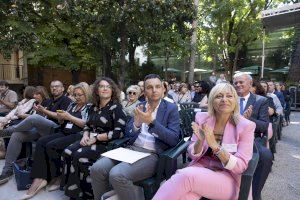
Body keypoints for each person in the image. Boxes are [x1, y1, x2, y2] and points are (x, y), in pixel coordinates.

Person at [153, 83, 255, 200]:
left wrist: (216, 147)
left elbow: (240, 166)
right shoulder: (202, 118)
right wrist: (200, 142)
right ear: (211, 101)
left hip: (229, 178)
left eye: (229, 96)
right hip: (201, 169)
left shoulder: (245, 126)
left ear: (235, 101)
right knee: (186, 197)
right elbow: (192, 153)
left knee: (185, 176)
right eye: (219, 96)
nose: (224, 100)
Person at [90, 74, 181, 200]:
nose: (154, 90)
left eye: (157, 86)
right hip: (131, 149)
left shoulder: (171, 108)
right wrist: (137, 125)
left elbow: (174, 139)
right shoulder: (140, 106)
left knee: (117, 174)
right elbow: (128, 133)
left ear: (163, 89)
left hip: (152, 154)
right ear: (144, 92)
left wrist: (151, 122)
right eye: (149, 87)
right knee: (97, 168)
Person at [20, 82, 92, 200]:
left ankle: (57, 176)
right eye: (75, 95)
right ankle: (40, 177)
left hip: (79, 134)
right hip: (65, 130)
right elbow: (62, 122)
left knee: (52, 145)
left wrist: (69, 117)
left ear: (87, 94)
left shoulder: (90, 107)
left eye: (81, 95)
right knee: (41, 142)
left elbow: (87, 124)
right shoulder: (72, 105)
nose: (77, 97)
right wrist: (61, 119)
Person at [61, 77, 126, 199]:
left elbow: (120, 132)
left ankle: (87, 193)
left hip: (107, 144)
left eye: (108, 86)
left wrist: (96, 137)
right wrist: (85, 136)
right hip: (90, 139)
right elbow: (87, 125)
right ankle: (74, 190)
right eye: (101, 86)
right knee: (67, 152)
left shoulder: (116, 108)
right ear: (96, 90)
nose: (105, 88)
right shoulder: (93, 107)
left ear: (113, 90)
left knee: (79, 156)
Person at [0, 80, 72, 185]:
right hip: (43, 129)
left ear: (62, 88)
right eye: (52, 87)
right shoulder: (51, 100)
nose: (54, 88)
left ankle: (5, 132)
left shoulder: (66, 100)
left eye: (57, 86)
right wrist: (40, 112)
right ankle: (7, 170)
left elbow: (60, 117)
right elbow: (45, 117)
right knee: (17, 135)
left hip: (56, 129)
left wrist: (43, 111)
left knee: (34, 118)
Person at [233, 72, 273, 200]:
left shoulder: (260, 100)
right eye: (235, 83)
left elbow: (263, 126)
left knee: (266, 156)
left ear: (250, 84)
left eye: (241, 82)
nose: (238, 85)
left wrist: (247, 120)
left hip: (252, 138)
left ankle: (254, 194)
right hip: (230, 136)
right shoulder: (228, 98)